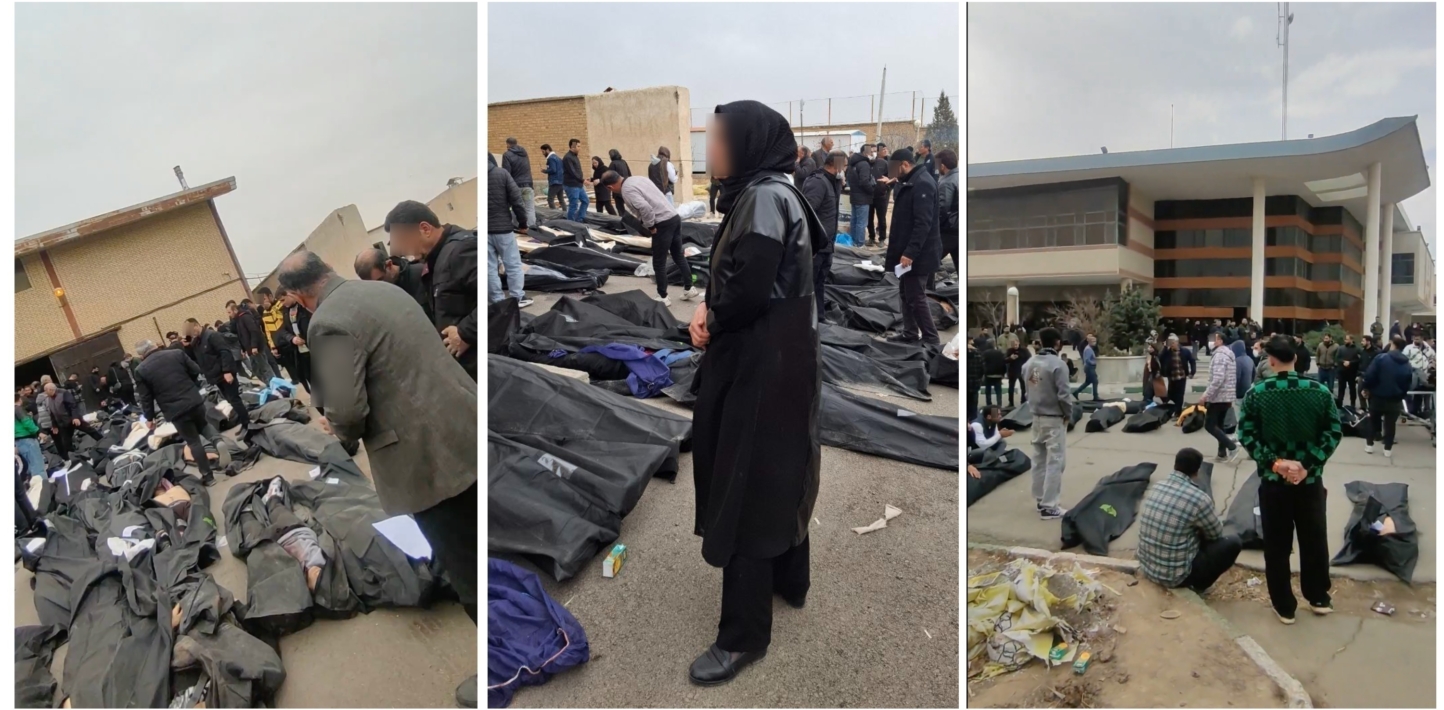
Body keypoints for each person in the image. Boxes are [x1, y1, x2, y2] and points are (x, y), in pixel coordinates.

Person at [277, 251, 478, 707]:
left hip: (424, 457)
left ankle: (494, 669)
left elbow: (347, 409)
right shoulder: (383, 290)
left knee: (462, 563)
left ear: (297, 296)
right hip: (462, 424)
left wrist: (335, 427)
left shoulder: (327, 322)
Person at [683, 100, 823, 686]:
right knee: (780, 469)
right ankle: (790, 577)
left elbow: (746, 292)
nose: (710, 150)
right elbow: (745, 279)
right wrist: (709, 304)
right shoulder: (774, 191)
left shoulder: (764, 198)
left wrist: (711, 317)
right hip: (785, 353)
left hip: (762, 360)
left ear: (747, 144)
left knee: (747, 483)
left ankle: (744, 637)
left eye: (718, 139)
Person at [1237, 335, 1341, 623]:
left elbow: (1246, 434)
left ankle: (1284, 606)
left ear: (1270, 361)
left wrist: (1276, 463)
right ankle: (1318, 597)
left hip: (1274, 484)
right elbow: (1333, 432)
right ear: (1296, 358)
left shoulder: (1257, 394)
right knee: (1314, 539)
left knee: (1277, 544)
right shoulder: (1320, 392)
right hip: (1309, 482)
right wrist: (1306, 465)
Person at [384, 200, 480, 380]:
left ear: (425, 229)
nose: (403, 251)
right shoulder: (435, 259)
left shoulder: (461, 250)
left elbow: (493, 300)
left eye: (404, 240)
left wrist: (466, 333)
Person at [1137, 448, 1242, 592]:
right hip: (1174, 577)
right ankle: (1198, 586)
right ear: (1197, 471)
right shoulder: (1199, 498)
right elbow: (1216, 535)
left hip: (1148, 568)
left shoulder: (1157, 487)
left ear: (1175, 465)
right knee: (1233, 542)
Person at [601, 170, 700, 307]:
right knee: (678, 255)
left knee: (659, 262)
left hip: (662, 223)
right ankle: (689, 288)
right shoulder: (638, 178)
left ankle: (663, 296)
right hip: (673, 217)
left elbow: (645, 208)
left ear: (610, 187)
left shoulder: (627, 190)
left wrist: (651, 226)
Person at [134, 339, 225, 485]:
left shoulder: (141, 370)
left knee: (193, 441)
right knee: (204, 425)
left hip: (175, 409)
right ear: (155, 346)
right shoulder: (176, 353)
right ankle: (218, 441)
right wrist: (190, 385)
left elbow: (146, 397)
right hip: (194, 400)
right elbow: (195, 370)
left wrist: (149, 418)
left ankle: (208, 477)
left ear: (141, 355)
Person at [882, 147, 942, 345]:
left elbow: (922, 224)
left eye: (894, 168)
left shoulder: (923, 184)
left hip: (919, 253)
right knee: (905, 293)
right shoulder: (910, 181)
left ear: (905, 165)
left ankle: (931, 338)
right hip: (908, 250)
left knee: (916, 296)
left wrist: (910, 253)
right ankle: (910, 333)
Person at [1022, 327, 1074, 519]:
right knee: (1055, 461)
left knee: (1039, 459)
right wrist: (1068, 414)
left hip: (1036, 416)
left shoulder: (1029, 363)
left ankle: (1040, 498)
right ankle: (1049, 505)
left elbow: (1027, 390)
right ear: (1058, 343)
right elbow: (1064, 395)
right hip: (1053, 418)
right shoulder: (1058, 365)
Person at [183, 317, 250, 430]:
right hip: (216, 376)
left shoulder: (211, 335)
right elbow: (193, 357)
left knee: (235, 399)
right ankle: (244, 422)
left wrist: (227, 371)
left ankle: (247, 424)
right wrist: (187, 347)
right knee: (230, 400)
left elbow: (225, 352)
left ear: (196, 325)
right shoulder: (197, 342)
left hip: (224, 374)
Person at [486, 154, 533, 309]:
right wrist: (522, 223)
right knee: (512, 264)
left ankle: (497, 301)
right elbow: (517, 201)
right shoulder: (502, 174)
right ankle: (517, 297)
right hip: (503, 229)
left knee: (490, 268)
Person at [800, 150, 842, 320]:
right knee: (809, 284)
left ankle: (819, 317)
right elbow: (807, 214)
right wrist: (812, 244)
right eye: (844, 165)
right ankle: (805, 320)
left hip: (827, 244)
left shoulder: (833, 182)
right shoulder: (818, 182)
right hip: (816, 246)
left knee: (819, 282)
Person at [1362, 336, 1414, 457]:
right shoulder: (1406, 363)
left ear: (1392, 344)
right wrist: (1401, 394)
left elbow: (1370, 375)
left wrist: (1366, 388)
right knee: (1390, 424)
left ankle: (1369, 445)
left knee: (1373, 421)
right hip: (1395, 398)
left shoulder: (1381, 358)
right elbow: (1408, 382)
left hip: (1378, 396)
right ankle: (1388, 448)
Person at [352, 248, 431, 318]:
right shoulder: (378, 296)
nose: (378, 288)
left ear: (389, 265)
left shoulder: (422, 274)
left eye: (380, 280)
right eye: (372, 285)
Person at [1199, 333, 1241, 462]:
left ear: (1220, 341)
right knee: (1219, 425)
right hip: (1227, 395)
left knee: (1210, 425)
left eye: (1214, 339)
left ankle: (1232, 447)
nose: (1211, 341)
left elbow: (1218, 379)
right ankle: (1222, 454)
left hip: (1218, 396)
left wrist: (1206, 395)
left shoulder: (1220, 356)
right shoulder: (1228, 354)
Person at [44, 382, 101, 461]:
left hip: (73, 419)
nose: (45, 392)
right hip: (63, 423)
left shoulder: (64, 393)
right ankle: (74, 458)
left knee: (89, 430)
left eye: (45, 390)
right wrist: (54, 425)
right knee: (66, 443)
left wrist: (75, 417)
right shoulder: (48, 399)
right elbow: (52, 413)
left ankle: (102, 441)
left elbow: (73, 406)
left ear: (50, 390)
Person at [276, 289, 313, 395]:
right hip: (300, 351)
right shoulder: (285, 311)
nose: (282, 303)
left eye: (283, 300)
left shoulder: (305, 306)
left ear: (290, 294)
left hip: (314, 347)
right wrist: (292, 338)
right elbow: (282, 330)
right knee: (308, 376)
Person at [227, 300, 273, 383]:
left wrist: (254, 346)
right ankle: (269, 383)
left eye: (229, 312)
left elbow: (254, 331)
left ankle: (275, 385)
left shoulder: (245, 317)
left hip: (256, 348)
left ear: (235, 310)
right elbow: (241, 335)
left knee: (264, 368)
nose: (229, 315)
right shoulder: (238, 320)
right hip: (250, 349)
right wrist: (243, 349)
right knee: (256, 370)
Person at [501, 137, 536, 229]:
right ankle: (532, 229)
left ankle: (517, 228)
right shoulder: (524, 153)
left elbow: (506, 173)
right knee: (529, 208)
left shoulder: (507, 155)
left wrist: (506, 188)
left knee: (516, 208)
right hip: (528, 185)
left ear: (508, 144)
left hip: (515, 186)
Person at [844, 145, 876, 248]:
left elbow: (849, 179)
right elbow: (864, 181)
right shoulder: (864, 164)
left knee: (854, 221)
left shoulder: (852, 164)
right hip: (863, 198)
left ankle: (853, 242)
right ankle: (860, 244)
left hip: (854, 196)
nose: (873, 154)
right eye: (872, 152)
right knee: (861, 223)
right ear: (865, 153)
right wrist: (872, 191)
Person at [935, 149, 960, 272]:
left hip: (949, 230)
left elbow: (942, 210)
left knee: (930, 259)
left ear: (942, 166)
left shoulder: (947, 182)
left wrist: (933, 226)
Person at [1160, 335, 1196, 417]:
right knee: (1171, 394)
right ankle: (1175, 408)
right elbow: (1160, 358)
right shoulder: (1167, 352)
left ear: (1177, 342)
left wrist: (1192, 372)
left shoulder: (1185, 351)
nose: (1172, 345)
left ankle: (1178, 412)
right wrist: (1165, 348)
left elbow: (1192, 361)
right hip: (1172, 377)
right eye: (1170, 343)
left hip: (1181, 377)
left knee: (1180, 395)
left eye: (1173, 343)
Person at [15, 394, 46, 480]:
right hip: (28, 440)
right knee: (38, 466)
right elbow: (27, 423)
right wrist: (38, 432)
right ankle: (43, 485)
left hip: (19, 442)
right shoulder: (18, 409)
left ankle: (35, 485)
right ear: (20, 399)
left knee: (31, 466)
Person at [1402, 333, 1434, 416]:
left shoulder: (1428, 348)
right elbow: (1403, 360)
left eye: (1418, 337)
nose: (1416, 339)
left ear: (1422, 338)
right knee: (1410, 392)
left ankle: (1420, 411)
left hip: (1425, 374)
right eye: (1414, 337)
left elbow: (1433, 357)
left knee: (1421, 394)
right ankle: (1409, 411)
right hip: (1412, 374)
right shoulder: (1408, 348)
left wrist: (1432, 364)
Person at [561, 138, 590, 222]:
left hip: (578, 185)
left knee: (585, 201)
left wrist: (582, 180)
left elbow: (576, 171)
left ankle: (579, 219)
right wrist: (582, 180)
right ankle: (571, 223)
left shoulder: (574, 156)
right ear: (572, 147)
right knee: (573, 205)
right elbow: (572, 172)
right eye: (578, 146)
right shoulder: (568, 158)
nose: (579, 148)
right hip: (571, 185)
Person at [868, 142, 890, 247]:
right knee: (869, 218)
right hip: (868, 195)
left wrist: (886, 188)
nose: (872, 153)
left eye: (873, 151)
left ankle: (882, 238)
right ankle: (871, 237)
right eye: (870, 151)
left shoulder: (884, 163)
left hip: (881, 195)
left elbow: (891, 177)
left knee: (881, 218)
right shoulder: (866, 163)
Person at [1334, 335, 1360, 409]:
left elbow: (1359, 360)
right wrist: (1343, 362)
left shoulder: (1357, 349)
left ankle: (1352, 404)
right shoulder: (1341, 348)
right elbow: (1337, 358)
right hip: (1342, 372)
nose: (1345, 341)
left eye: (1347, 339)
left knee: (1352, 389)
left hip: (1352, 372)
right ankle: (1339, 404)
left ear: (1351, 340)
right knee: (1341, 389)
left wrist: (1350, 363)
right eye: (1345, 339)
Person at [1071, 334, 1099, 400]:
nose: (1095, 343)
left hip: (1089, 367)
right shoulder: (1088, 349)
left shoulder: (1089, 348)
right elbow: (1087, 359)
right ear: (1090, 341)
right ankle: (1095, 396)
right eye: (1093, 341)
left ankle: (1076, 392)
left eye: (1095, 341)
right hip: (1089, 367)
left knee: (1088, 382)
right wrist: (1093, 363)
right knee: (1095, 381)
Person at [1005, 337, 1031, 407]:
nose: (1015, 346)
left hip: (1022, 371)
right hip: (1012, 371)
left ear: (1019, 343)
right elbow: (1005, 360)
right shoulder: (1009, 351)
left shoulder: (1024, 350)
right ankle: (1011, 402)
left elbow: (1029, 359)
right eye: (1013, 345)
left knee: (1023, 387)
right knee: (1011, 387)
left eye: (1016, 344)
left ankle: (1023, 401)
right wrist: (1010, 358)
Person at [540, 143, 567, 210]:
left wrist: (544, 171)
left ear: (547, 150)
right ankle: (565, 212)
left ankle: (554, 213)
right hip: (560, 181)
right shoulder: (558, 158)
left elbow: (553, 170)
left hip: (554, 182)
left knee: (550, 199)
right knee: (561, 199)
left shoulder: (551, 158)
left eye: (543, 151)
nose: (543, 154)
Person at [607, 149, 632, 215]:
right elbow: (629, 173)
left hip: (617, 188)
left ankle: (624, 219)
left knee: (620, 207)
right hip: (626, 186)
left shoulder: (613, 164)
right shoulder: (623, 162)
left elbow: (609, 176)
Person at [981, 339, 1005, 406]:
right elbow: (1003, 363)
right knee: (998, 391)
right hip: (998, 374)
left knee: (988, 391)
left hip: (988, 374)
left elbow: (982, 363)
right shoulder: (1000, 353)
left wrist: (983, 373)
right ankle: (999, 404)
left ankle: (989, 404)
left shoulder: (985, 353)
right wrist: (1003, 373)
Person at [965, 337, 983, 423]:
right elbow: (982, 369)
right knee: (973, 404)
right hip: (975, 383)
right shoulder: (978, 353)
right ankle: (973, 422)